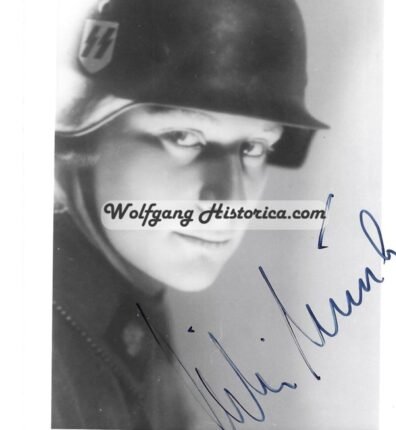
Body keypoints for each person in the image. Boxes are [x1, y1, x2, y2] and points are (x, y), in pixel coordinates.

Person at [52, 0, 328, 428]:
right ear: (85, 142)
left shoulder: (130, 298)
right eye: (184, 136)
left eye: (254, 147)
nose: (228, 198)